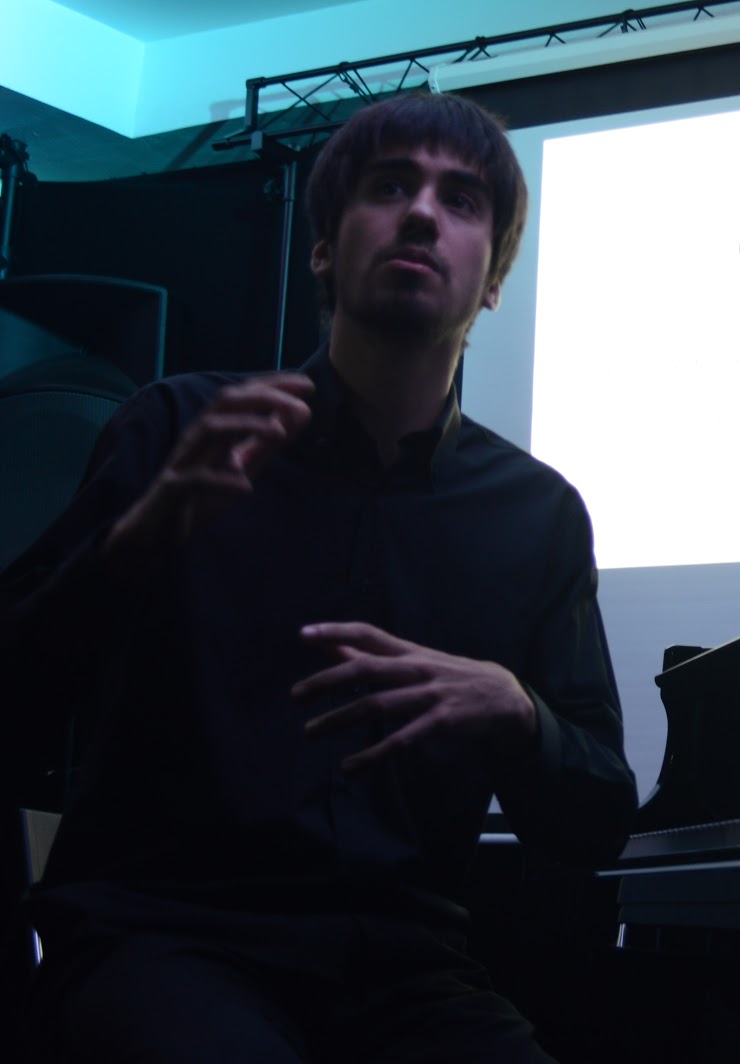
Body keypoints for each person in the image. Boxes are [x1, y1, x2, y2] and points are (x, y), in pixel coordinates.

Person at [0, 91, 636, 1062]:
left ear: (495, 283)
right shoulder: (176, 428)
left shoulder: (539, 515)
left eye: (461, 200)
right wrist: (132, 545)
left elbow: (596, 821)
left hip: (407, 976)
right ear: (325, 250)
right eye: (390, 187)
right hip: (163, 939)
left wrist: (516, 711)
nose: (422, 213)